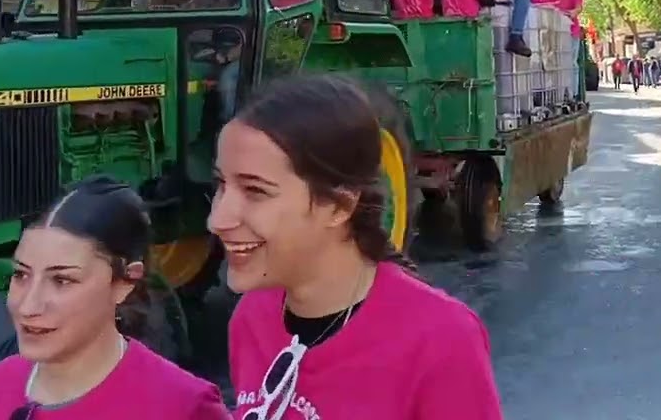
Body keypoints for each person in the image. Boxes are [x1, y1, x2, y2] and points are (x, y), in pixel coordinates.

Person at [212, 75, 503, 419]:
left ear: (338, 206)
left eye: (255, 191)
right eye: (220, 185)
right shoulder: (251, 319)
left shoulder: (441, 340)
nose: (218, 219)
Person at [0, 178, 228, 419]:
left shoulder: (181, 406)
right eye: (21, 275)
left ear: (126, 282)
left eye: (62, 281)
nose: (28, 306)